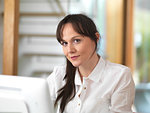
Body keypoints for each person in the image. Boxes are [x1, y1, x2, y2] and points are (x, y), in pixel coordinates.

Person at [47, 14, 135, 113]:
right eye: (64, 43)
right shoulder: (59, 74)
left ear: (96, 38)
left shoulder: (120, 76)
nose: (70, 50)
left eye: (76, 40)